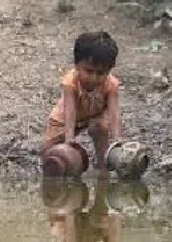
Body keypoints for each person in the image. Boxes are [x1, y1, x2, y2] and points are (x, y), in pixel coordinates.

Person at [41, 31, 121, 169]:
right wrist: (69, 138)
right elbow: (69, 111)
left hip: (96, 114)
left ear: (109, 71)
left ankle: (103, 165)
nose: (94, 78)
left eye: (100, 73)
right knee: (47, 152)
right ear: (77, 65)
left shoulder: (111, 85)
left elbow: (114, 114)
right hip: (66, 117)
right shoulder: (70, 82)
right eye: (89, 71)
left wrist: (117, 140)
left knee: (102, 127)